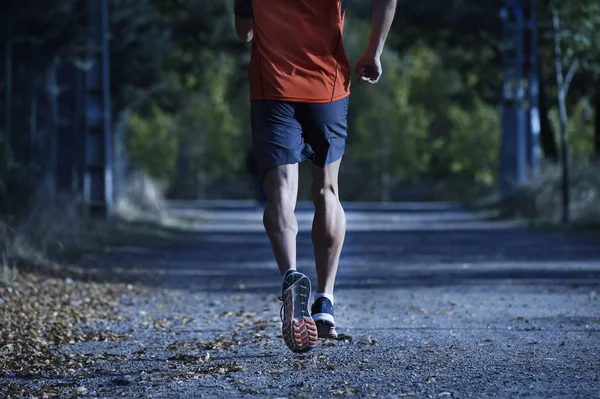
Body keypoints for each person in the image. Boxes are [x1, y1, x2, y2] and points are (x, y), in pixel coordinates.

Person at [234, 0, 396, 353]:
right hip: (328, 84)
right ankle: (324, 302)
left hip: (272, 87)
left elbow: (244, 32)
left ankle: (290, 275)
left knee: (280, 193)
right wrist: (374, 49)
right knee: (327, 190)